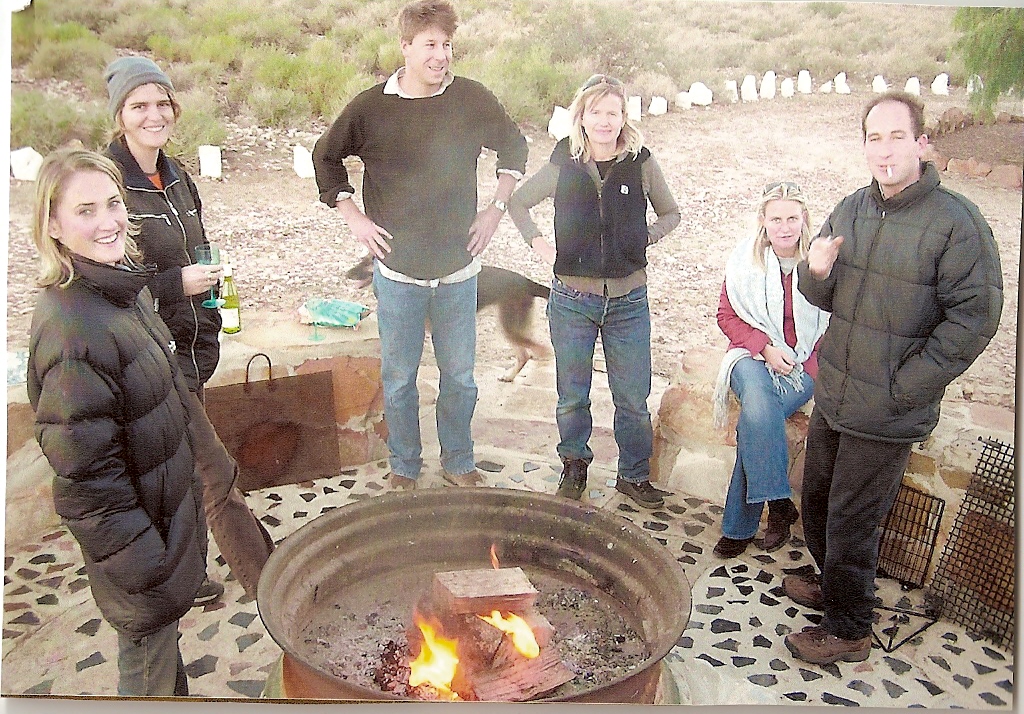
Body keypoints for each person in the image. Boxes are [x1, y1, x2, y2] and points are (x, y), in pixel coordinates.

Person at [783, 91, 1003, 665]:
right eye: (873, 137)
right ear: (864, 147)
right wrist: (815, 273)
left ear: (922, 143)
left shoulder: (958, 223)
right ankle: (833, 585)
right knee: (818, 498)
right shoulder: (852, 208)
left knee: (855, 520)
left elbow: (975, 317)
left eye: (897, 136)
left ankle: (849, 627)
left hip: (888, 409)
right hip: (837, 391)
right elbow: (817, 291)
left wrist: (908, 386)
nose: (885, 149)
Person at [312, 0, 528, 490]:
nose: (441, 55)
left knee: (460, 379)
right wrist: (354, 217)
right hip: (398, 271)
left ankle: (458, 461)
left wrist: (495, 208)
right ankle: (405, 466)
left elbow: (515, 145)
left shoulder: (471, 99)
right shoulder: (370, 107)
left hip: (458, 268)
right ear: (405, 47)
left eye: (447, 45)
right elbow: (326, 157)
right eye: (430, 44)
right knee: (400, 380)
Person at [27, 149, 207, 696]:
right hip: (141, 553)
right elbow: (86, 482)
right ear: (53, 225)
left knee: (164, 661)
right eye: (85, 211)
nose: (107, 222)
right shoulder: (72, 330)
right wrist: (146, 570)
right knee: (148, 671)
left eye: (113, 204)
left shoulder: (118, 289)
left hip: (161, 528)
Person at [103, 56, 273, 602]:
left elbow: (196, 249)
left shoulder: (177, 176)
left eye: (162, 103)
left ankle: (187, 574)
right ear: (120, 116)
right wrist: (179, 282)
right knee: (216, 474)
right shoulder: (109, 184)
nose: (154, 115)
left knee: (176, 473)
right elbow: (112, 283)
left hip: (194, 344)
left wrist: (209, 301)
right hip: (151, 351)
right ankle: (271, 580)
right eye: (139, 105)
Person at [508, 74, 680, 509]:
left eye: (613, 112)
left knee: (633, 399)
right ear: (581, 117)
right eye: (596, 112)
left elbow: (671, 213)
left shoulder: (641, 162)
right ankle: (574, 465)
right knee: (572, 394)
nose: (605, 121)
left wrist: (644, 239)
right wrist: (536, 241)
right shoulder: (564, 159)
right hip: (571, 300)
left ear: (624, 117)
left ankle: (634, 475)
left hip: (628, 302)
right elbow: (518, 202)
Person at [711, 182, 829, 558]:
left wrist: (799, 359)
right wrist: (763, 347)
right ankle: (779, 502)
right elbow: (726, 316)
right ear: (763, 220)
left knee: (755, 420)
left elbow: (833, 324)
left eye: (792, 218)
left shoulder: (820, 264)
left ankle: (741, 527)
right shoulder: (744, 261)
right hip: (750, 358)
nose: (784, 227)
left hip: (802, 362)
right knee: (759, 401)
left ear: (803, 219)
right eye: (775, 218)